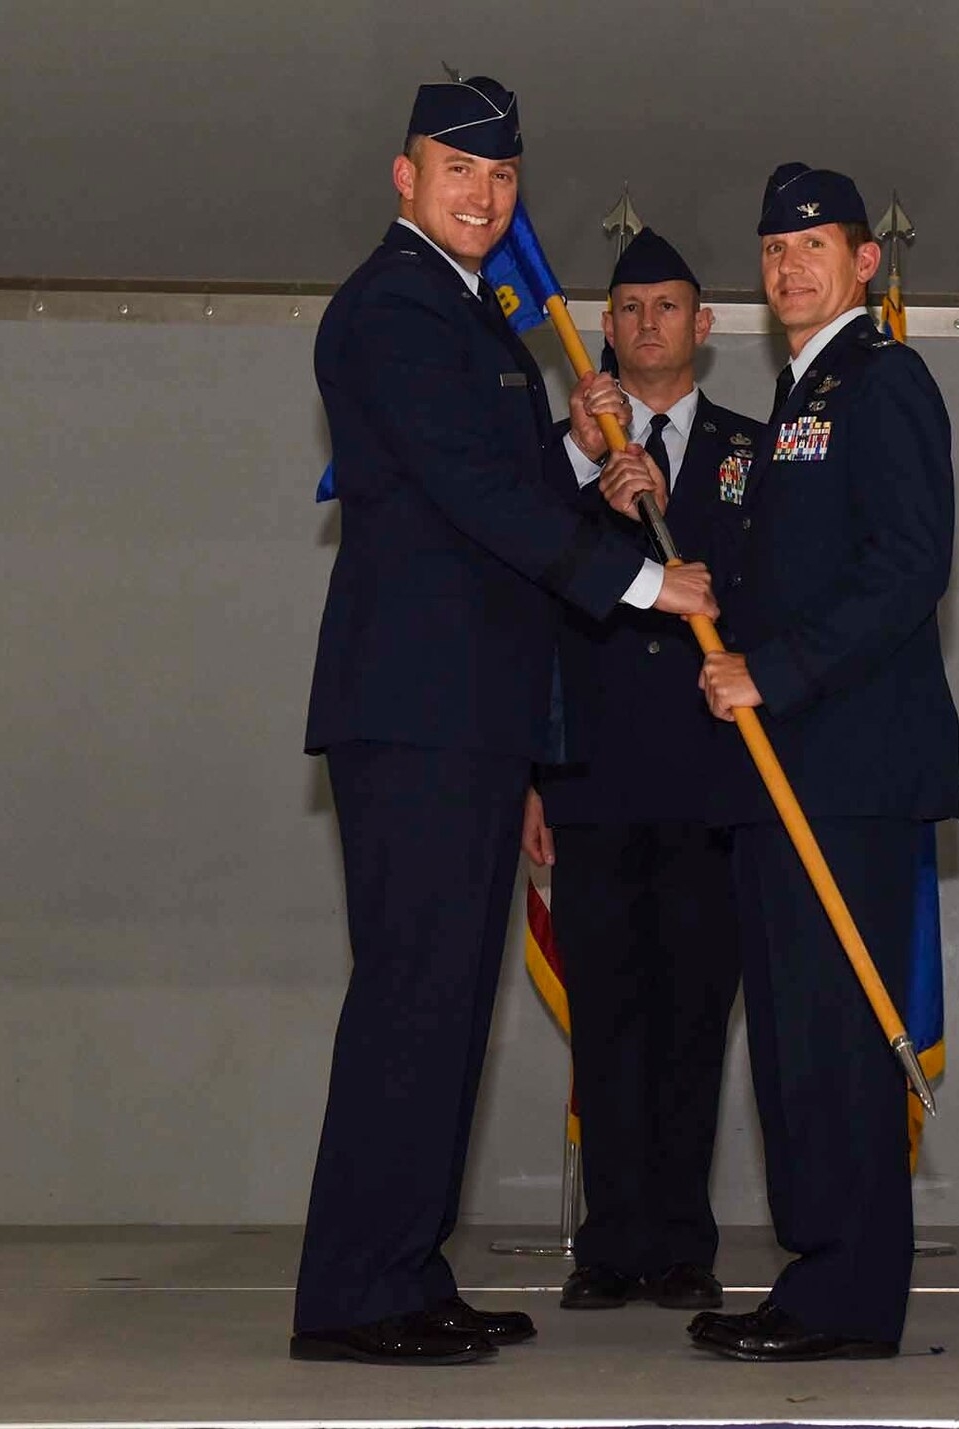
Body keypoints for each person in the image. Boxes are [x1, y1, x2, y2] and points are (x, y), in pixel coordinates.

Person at [289, 74, 715, 1367]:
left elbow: (510, 479)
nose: (483, 194)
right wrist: (643, 578)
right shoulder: (394, 308)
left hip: (467, 715)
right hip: (416, 711)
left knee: (445, 1005)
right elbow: (472, 495)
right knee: (414, 996)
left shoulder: (469, 315)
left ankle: (403, 1273)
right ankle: (358, 1292)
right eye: (457, 170)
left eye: (503, 176)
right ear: (403, 178)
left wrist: (584, 460)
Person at [610, 163, 959, 1361]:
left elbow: (908, 567)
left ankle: (851, 1296)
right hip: (774, 772)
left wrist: (778, 669)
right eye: (771, 250)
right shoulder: (796, 396)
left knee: (835, 1039)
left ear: (865, 263)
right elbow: (774, 571)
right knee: (795, 1041)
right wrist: (673, 535)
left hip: (847, 766)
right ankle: (821, 1276)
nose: (789, 266)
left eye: (814, 245)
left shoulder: (884, 381)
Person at [519, 229, 763, 1314]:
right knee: (608, 1010)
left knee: (693, 1016)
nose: (647, 324)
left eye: (668, 307)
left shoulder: (753, 454)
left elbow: (769, 605)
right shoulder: (561, 460)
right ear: (604, 329)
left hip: (713, 778)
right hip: (595, 777)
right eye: (628, 308)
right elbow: (523, 598)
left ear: (703, 328)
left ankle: (679, 1244)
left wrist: (685, 541)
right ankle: (609, 1243)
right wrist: (594, 492)